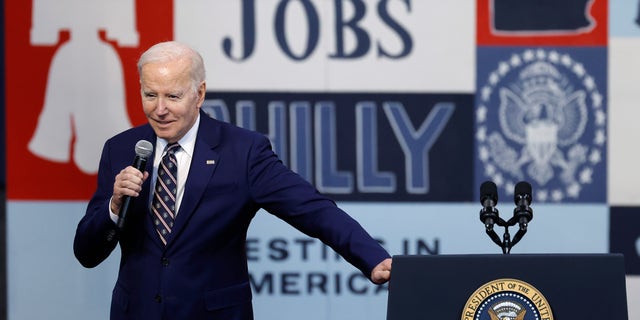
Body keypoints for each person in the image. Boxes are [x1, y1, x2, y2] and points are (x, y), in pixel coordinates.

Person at [73, 41, 392, 319]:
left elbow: (312, 209)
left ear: (199, 94)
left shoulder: (243, 151)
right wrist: (114, 207)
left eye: (172, 95)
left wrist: (372, 258)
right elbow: (86, 252)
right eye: (150, 94)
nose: (159, 109)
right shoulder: (120, 149)